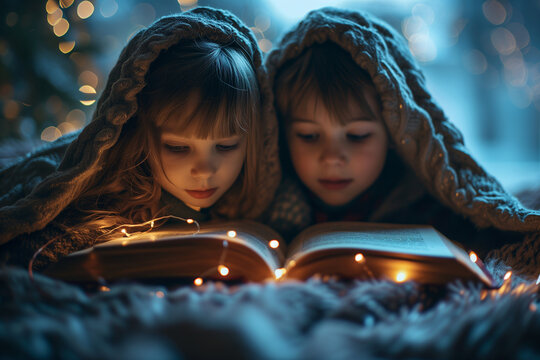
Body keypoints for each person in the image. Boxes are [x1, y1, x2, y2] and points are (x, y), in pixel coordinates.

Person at [264, 7, 540, 274]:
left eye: (357, 136)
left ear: (395, 133)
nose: (332, 157)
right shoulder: (270, 204)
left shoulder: (428, 205)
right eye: (309, 136)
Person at [0, 7, 280, 268]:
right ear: (139, 131)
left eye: (226, 146)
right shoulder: (102, 198)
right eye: (179, 147)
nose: (205, 169)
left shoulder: (251, 195)